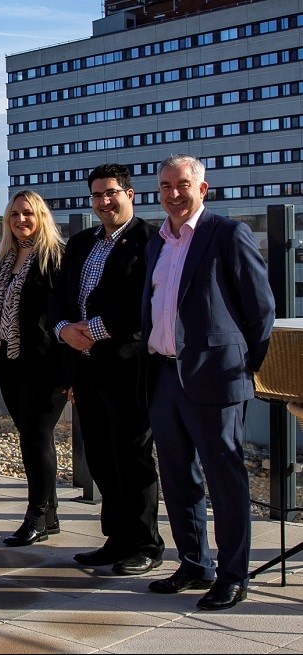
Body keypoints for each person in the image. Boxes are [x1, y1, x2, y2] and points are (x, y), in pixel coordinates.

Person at [141, 155, 274, 610]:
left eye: (182, 184)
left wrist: (238, 366)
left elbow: (260, 311)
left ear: (203, 188)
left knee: (225, 480)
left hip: (215, 379)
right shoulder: (157, 243)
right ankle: (195, 564)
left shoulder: (227, 234)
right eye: (165, 186)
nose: (173, 194)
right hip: (163, 375)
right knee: (177, 476)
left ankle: (234, 575)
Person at [49, 163, 164, 575]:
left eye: (111, 193)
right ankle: (116, 540)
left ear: (130, 194)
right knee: (100, 456)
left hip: (127, 367)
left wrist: (92, 330)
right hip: (85, 368)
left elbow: (143, 304)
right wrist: (64, 329)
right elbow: (58, 297)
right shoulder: (80, 243)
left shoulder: (150, 241)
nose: (103, 202)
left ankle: (147, 544)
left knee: (132, 457)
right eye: (96, 195)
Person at [0, 190, 67, 547]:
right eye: (14, 214)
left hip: (45, 366)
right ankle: (51, 513)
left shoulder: (55, 259)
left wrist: (70, 372)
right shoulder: (2, 259)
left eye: (27, 213)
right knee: (29, 435)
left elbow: (65, 314)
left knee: (36, 437)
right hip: (8, 365)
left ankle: (36, 516)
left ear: (40, 216)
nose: (20, 220)